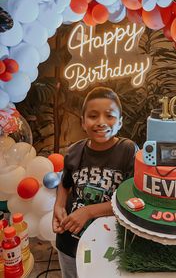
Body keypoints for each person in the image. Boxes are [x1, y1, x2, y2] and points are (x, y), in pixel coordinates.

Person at [52, 86, 138, 278]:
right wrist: (58, 206)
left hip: (109, 242)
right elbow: (65, 184)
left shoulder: (128, 151)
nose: (101, 122)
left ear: (120, 122)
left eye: (109, 116)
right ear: (83, 122)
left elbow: (132, 200)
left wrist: (89, 211)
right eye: (93, 116)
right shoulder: (74, 151)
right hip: (69, 243)